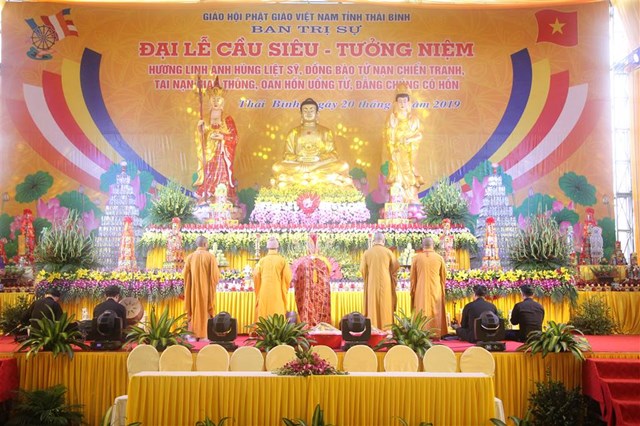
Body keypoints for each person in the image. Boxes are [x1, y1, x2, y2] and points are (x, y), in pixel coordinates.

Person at [271, 98, 353, 188]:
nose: (308, 113)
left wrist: (318, 158)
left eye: (311, 110)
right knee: (277, 167)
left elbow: (333, 154)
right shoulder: (293, 132)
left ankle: (299, 179)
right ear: (301, 114)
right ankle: (320, 179)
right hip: (300, 165)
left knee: (343, 165)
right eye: (305, 110)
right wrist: (298, 158)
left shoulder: (326, 132)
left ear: (317, 114)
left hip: (319, 164)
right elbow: (287, 155)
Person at [195, 76, 238, 204]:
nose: (215, 102)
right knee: (209, 173)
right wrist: (200, 130)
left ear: (222, 101)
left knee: (222, 175)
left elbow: (234, 137)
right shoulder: (205, 118)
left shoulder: (227, 119)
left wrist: (222, 137)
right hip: (209, 152)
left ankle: (223, 197)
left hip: (223, 152)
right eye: (213, 99)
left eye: (218, 99)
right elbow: (200, 137)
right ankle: (207, 196)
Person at [385, 84, 424, 204]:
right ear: (396, 103)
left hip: (409, 153)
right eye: (400, 101)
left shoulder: (414, 120)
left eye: (405, 101)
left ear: (408, 103)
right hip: (397, 153)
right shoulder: (392, 119)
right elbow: (389, 138)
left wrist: (409, 140)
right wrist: (393, 149)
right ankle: (398, 198)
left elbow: (419, 135)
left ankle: (411, 196)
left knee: (409, 173)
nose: (402, 104)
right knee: (397, 176)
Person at [360, 232, 400, 330]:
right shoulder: (388, 252)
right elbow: (395, 268)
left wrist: (369, 278)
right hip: (386, 283)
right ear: (383, 241)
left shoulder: (367, 253)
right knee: (385, 305)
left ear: (373, 241)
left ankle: (373, 329)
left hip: (372, 283)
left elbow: (363, 270)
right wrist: (391, 278)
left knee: (372, 305)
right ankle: (387, 330)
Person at [183, 235, 220, 340]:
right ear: (205, 244)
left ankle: (193, 335)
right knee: (205, 309)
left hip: (193, 291)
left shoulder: (190, 257)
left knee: (194, 309)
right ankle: (204, 334)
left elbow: (185, 274)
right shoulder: (210, 257)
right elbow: (215, 276)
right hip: (206, 290)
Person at [410, 237, 447, 338]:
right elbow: (443, 276)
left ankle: (420, 333)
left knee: (421, 310)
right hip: (435, 289)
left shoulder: (416, 258)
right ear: (433, 245)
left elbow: (413, 278)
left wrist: (413, 290)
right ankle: (436, 333)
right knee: (435, 310)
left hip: (420, 289)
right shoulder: (439, 258)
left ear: (422, 246)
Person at [292, 234, 332, 326]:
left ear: (307, 249)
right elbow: (328, 274)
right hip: (321, 294)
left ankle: (308, 323)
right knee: (322, 306)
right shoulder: (324, 261)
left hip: (307, 294)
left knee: (307, 304)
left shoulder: (303, 262)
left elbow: (297, 280)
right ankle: (322, 324)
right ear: (318, 248)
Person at [253, 236, 292, 320]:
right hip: (277, 291)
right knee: (276, 310)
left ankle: (263, 327)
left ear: (268, 248)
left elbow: (256, 275)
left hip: (264, 291)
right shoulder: (282, 260)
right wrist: (284, 287)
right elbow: (287, 277)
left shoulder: (262, 261)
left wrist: (259, 287)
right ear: (277, 248)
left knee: (264, 311)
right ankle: (277, 327)